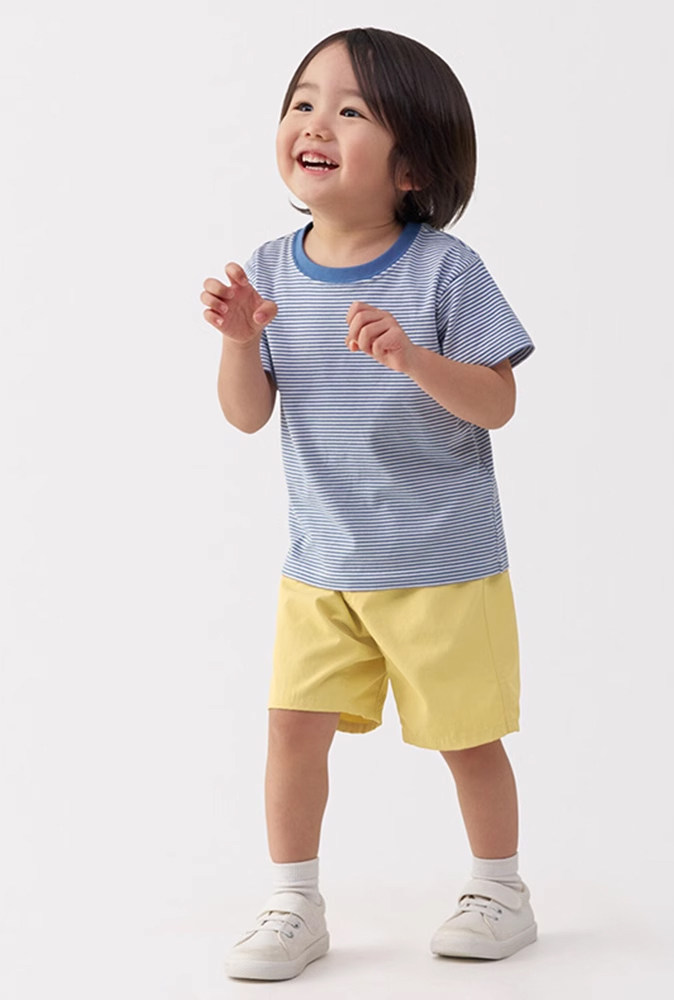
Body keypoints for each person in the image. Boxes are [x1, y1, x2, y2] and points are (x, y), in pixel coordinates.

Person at [201, 26, 538, 982]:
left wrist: (413, 357)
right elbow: (246, 416)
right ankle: (294, 901)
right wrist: (238, 342)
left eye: (351, 111)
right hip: (322, 566)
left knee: (468, 739)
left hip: (443, 563)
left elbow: (498, 403)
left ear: (412, 166)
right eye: (303, 102)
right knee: (291, 729)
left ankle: (501, 890)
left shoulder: (444, 270)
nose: (315, 123)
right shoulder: (270, 269)